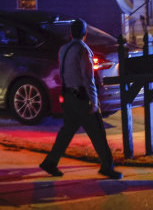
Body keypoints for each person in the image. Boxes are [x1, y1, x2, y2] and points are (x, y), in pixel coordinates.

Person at [39, 19, 122, 180]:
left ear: (71, 33)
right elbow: (88, 78)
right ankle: (107, 167)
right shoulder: (83, 50)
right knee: (97, 133)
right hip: (82, 98)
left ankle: (50, 162)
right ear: (85, 34)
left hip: (68, 96)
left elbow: (63, 72)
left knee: (66, 132)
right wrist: (94, 102)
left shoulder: (63, 49)